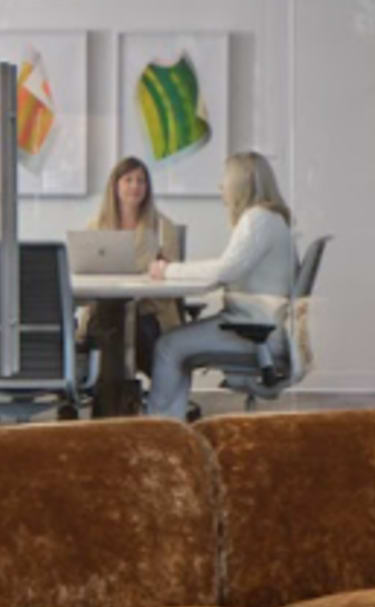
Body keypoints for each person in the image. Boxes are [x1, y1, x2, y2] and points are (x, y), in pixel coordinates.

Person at [146, 151, 302, 418]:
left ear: (242, 183)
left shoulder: (258, 220)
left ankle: (160, 433)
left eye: (225, 180)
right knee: (175, 344)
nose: (221, 186)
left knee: (168, 346)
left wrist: (168, 270)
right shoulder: (271, 218)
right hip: (260, 324)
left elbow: (225, 270)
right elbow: (228, 266)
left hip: (256, 330)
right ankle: (173, 425)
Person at [80, 155, 186, 418]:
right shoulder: (96, 227)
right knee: (111, 322)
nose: (135, 186)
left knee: (115, 331)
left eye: (141, 181)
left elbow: (172, 274)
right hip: (106, 309)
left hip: (149, 312)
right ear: (115, 186)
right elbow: (85, 271)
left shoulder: (162, 227)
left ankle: (109, 413)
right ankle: (119, 408)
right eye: (128, 180)